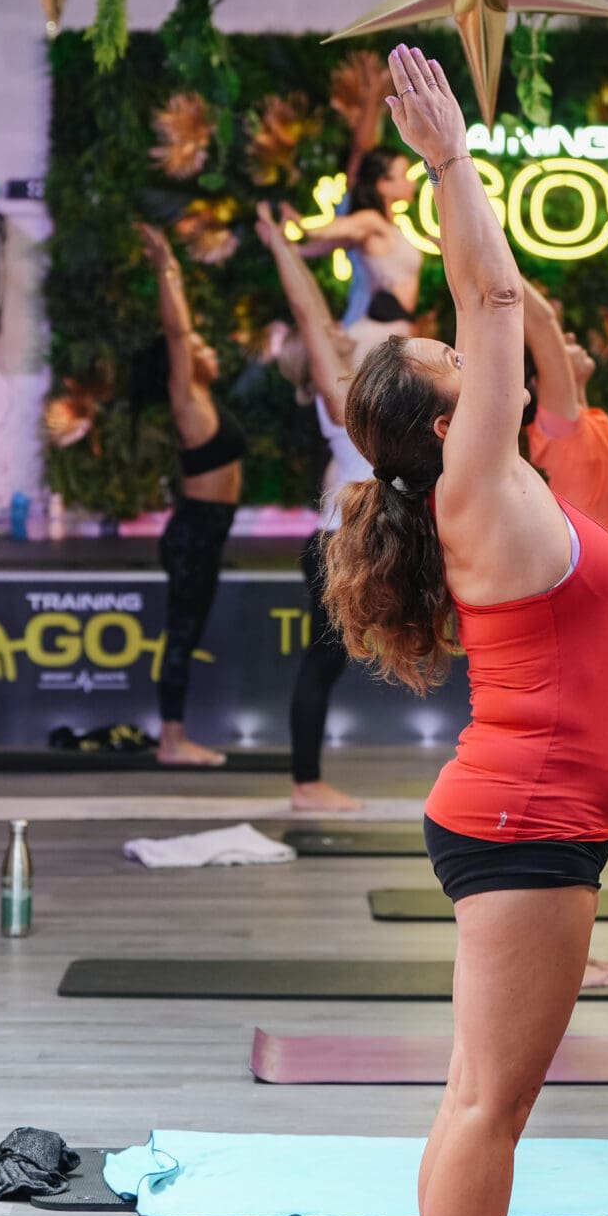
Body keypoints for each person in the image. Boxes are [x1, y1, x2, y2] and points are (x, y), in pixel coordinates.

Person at [321, 44, 608, 1216]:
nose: (472, 351)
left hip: (527, 813)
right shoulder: (475, 485)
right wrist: (451, 162)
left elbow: (498, 312)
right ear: (444, 418)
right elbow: (494, 297)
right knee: (490, 1108)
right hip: (525, 818)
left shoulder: (493, 486)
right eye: (452, 362)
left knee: (477, 1097)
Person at [257, 198, 368, 813]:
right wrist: (279, 244)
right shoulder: (340, 398)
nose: (335, 327)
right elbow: (306, 309)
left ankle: (307, 782)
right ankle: (306, 785)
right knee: (323, 662)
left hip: (350, 542)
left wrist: (286, 244)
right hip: (338, 546)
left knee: (329, 660)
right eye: (325, 336)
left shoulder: (357, 388)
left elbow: (316, 309)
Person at [137, 219, 244, 767]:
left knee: (187, 632)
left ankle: (174, 736)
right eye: (199, 346)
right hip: (194, 532)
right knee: (181, 635)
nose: (206, 348)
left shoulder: (206, 400)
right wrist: (168, 269)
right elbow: (178, 332)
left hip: (204, 533)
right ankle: (171, 741)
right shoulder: (188, 400)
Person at [519, 281, 608, 631]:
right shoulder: (556, 428)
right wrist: (488, 256)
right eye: (560, 342)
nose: (569, 338)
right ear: (539, 379)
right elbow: (541, 322)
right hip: (588, 590)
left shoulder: (588, 422)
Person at [289, 146, 423, 336]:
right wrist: (301, 225)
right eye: (404, 175)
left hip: (394, 328)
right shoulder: (371, 221)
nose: (412, 182)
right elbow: (335, 229)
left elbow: (326, 244)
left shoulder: (386, 226)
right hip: (378, 330)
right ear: (382, 184)